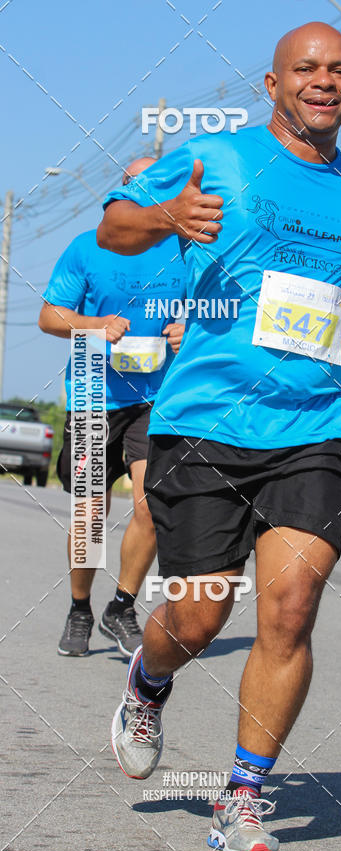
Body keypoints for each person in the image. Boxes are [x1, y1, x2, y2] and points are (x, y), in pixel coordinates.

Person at [97, 22, 341, 851]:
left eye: (339, 70)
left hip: (318, 425)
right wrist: (165, 214)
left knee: (291, 608)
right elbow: (113, 229)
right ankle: (150, 679)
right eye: (305, 68)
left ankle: (241, 797)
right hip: (208, 421)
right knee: (198, 617)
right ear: (272, 85)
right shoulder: (220, 157)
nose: (324, 81)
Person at [39, 157, 186, 659]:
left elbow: (216, 311)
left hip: (155, 399)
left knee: (152, 507)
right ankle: (80, 608)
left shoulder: (184, 249)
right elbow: (49, 316)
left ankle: (121, 606)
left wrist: (188, 328)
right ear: (122, 190)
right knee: (89, 517)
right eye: (140, 182)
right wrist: (94, 323)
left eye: (160, 181)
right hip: (92, 396)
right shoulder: (87, 247)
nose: (151, 189)